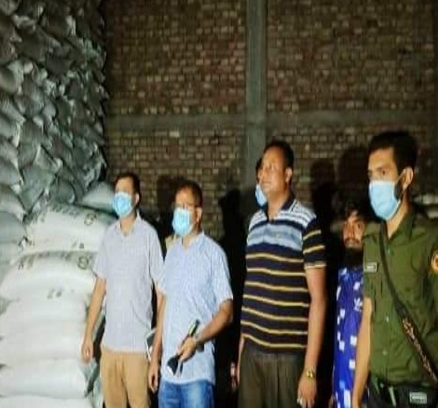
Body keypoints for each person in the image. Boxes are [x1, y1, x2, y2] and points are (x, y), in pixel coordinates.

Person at [236, 139, 327, 408]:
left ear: (288, 174)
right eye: (262, 168)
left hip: (288, 359)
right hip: (252, 354)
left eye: (271, 168)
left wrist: (310, 371)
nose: (263, 174)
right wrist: (241, 352)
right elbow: (252, 291)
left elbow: (319, 300)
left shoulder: (306, 223)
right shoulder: (254, 223)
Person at [352, 131, 438, 408]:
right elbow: (368, 319)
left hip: (418, 395)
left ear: (406, 177)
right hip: (378, 393)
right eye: (371, 175)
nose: (375, 184)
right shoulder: (372, 241)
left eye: (383, 173)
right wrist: (355, 395)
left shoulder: (429, 240)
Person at [148, 180, 233, 408]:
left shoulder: (214, 255)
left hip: (197, 376)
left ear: (198, 213)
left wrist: (197, 340)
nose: (179, 212)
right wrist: (155, 356)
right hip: (168, 375)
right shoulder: (172, 253)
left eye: (185, 207)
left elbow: (227, 312)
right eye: (177, 206)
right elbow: (164, 306)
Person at [81, 172, 164, 408]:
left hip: (137, 348)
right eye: (116, 193)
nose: (119, 198)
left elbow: (161, 293)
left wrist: (157, 347)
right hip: (110, 346)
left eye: (125, 193)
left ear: (136, 198)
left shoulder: (149, 236)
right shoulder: (109, 236)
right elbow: (100, 288)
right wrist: (88, 335)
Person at [330, 199, 375, 408]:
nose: (349, 234)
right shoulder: (343, 275)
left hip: (367, 390)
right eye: (345, 226)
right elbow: (339, 333)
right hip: (341, 386)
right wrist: (334, 388)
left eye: (357, 226)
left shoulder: (375, 276)